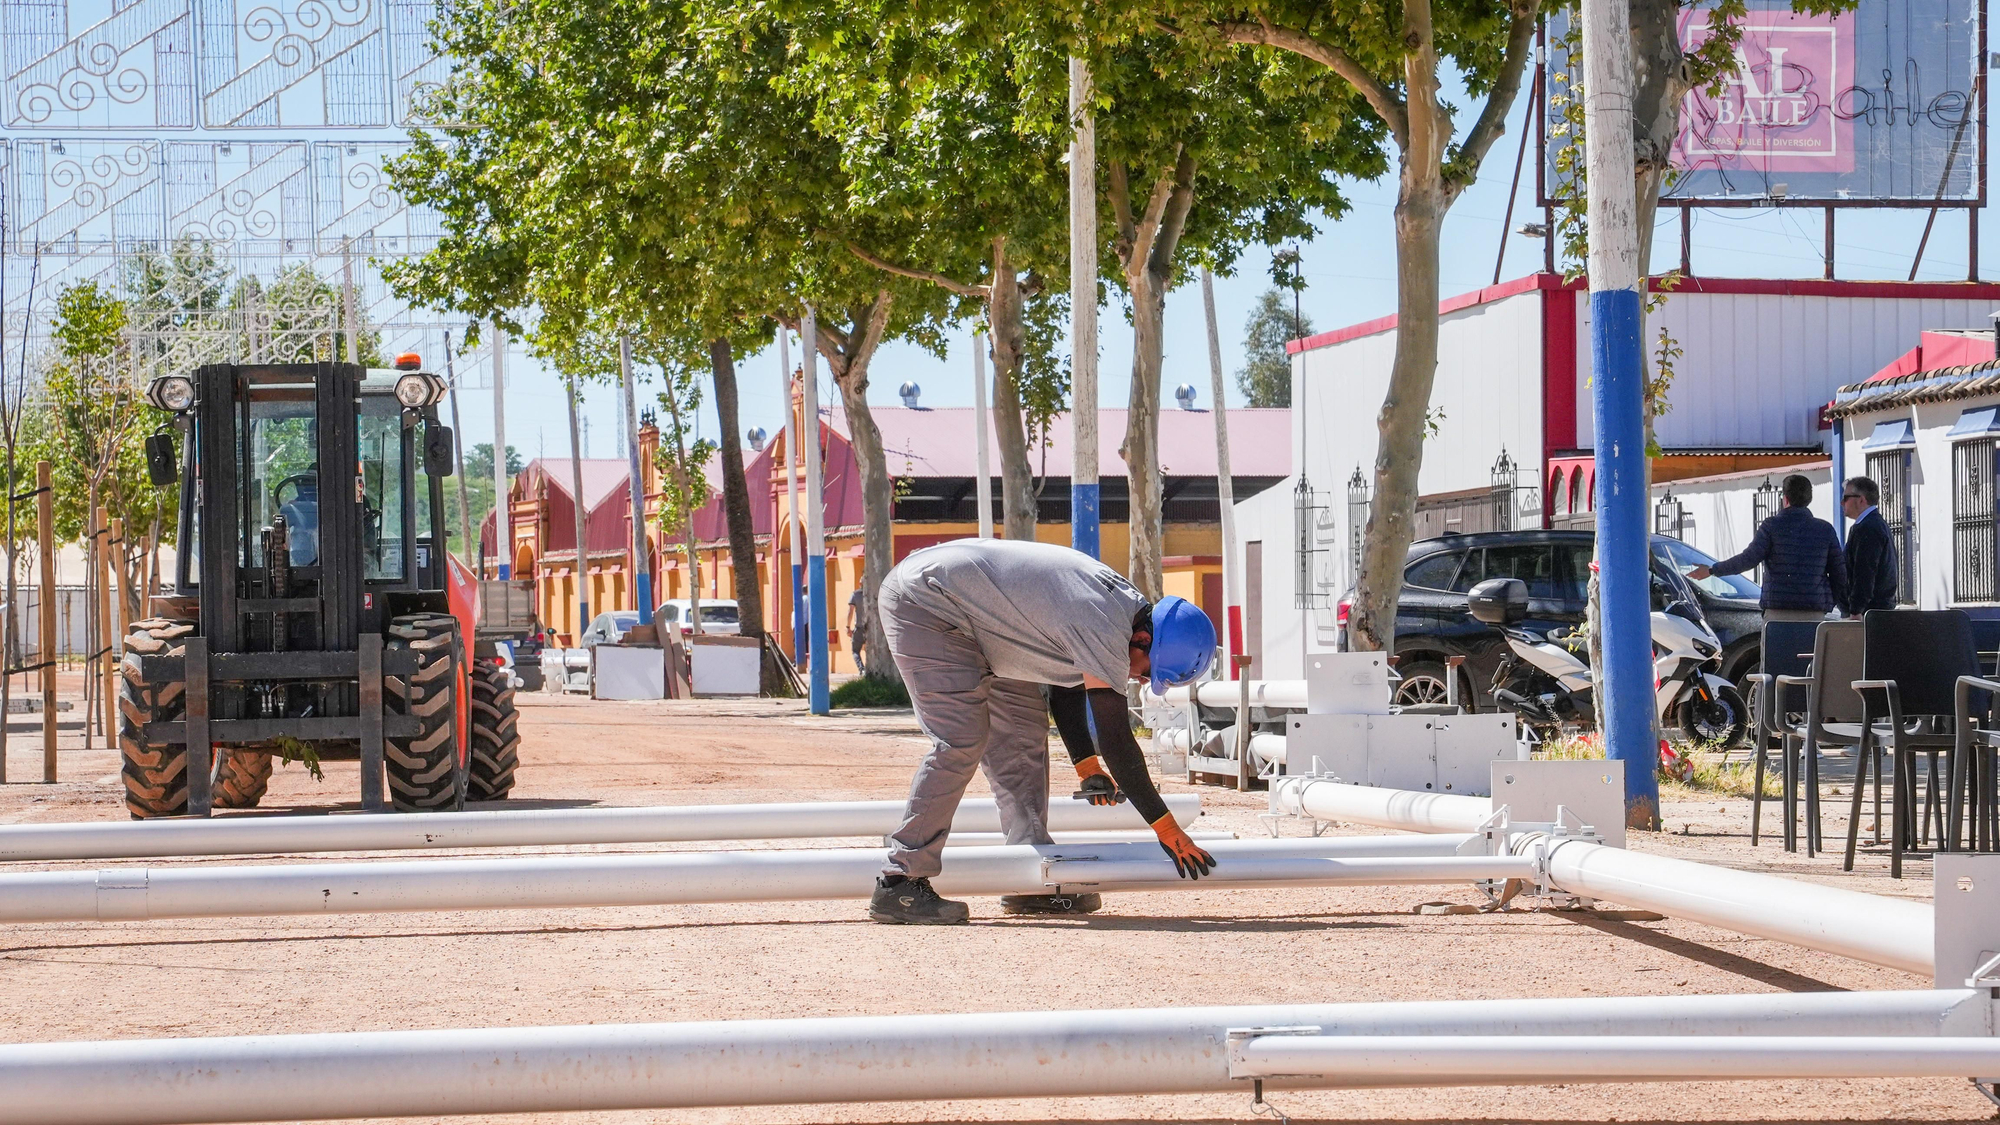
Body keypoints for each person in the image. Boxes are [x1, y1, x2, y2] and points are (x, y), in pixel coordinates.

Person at [868, 538, 1218, 925]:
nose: (1139, 678)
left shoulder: (1124, 615)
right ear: (1144, 640)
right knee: (961, 737)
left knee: (1021, 732)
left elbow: (1066, 684)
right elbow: (1118, 740)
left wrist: (1086, 766)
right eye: (1148, 671)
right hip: (927, 602)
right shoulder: (1102, 620)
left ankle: (1025, 873)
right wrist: (1167, 830)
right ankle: (900, 879)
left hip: (983, 620)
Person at [1689, 473, 1847, 623]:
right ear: (1809, 499)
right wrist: (1841, 607)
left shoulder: (1771, 526)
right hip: (1814, 611)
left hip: (1778, 610)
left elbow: (1748, 559)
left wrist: (1712, 570)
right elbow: (1839, 574)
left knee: (1777, 652)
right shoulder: (1825, 529)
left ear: (1785, 499)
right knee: (1812, 652)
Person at [1841, 476, 1899, 616]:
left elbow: (1865, 571)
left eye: (1846, 498)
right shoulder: (1872, 524)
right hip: (1874, 611)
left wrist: (1856, 610)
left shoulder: (1868, 527)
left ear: (1861, 499)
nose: (1842, 503)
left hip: (1869, 613)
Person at [845, 587, 867, 675]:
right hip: (872, 627)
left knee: (855, 651)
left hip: (859, 628)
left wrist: (847, 626)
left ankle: (862, 669)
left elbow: (850, 611)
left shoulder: (855, 595)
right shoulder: (875, 593)